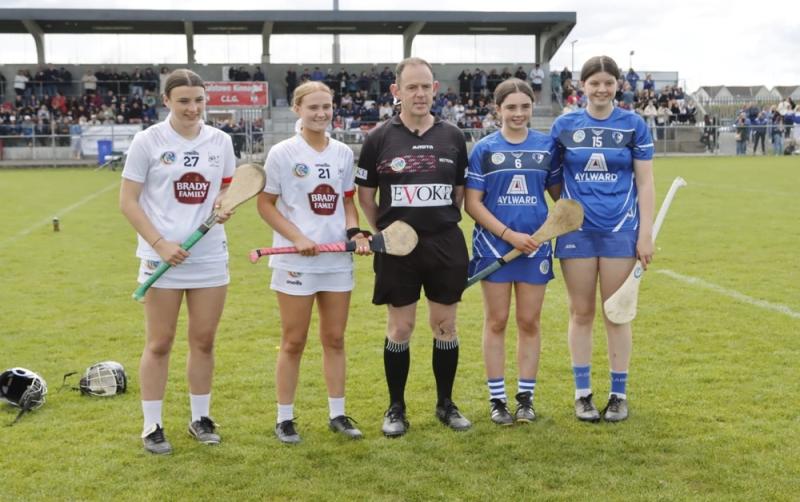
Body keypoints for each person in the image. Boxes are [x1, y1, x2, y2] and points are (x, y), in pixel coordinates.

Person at [120, 69, 236, 454]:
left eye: (199, 100)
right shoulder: (147, 141)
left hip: (208, 255)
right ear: (166, 101)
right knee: (160, 342)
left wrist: (225, 207)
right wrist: (159, 243)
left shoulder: (220, 141)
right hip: (162, 257)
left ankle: (200, 418)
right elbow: (128, 201)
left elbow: (226, 191)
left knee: (203, 341)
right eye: (184, 100)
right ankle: (152, 425)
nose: (193, 108)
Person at [356, 57, 472, 437]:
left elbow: (458, 194)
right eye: (412, 87)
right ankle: (396, 407)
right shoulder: (378, 138)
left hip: (444, 245)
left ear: (435, 89)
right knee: (400, 328)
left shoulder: (453, 136)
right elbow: (367, 197)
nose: (420, 94)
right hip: (397, 250)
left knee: (445, 325)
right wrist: (389, 234)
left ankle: (445, 404)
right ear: (396, 92)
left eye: (426, 87)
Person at [256, 81, 371, 444]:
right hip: (297, 261)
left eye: (327, 107)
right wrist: (297, 238)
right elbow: (265, 205)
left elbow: (347, 202)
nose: (321, 114)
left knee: (335, 339)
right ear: (297, 110)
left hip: (335, 260)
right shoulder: (282, 153)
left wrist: (355, 234)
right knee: (293, 340)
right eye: (313, 108)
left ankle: (337, 413)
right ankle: (284, 418)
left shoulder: (342, 153)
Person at [550, 55, 655, 423]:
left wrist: (645, 233)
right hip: (577, 234)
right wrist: (566, 212)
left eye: (608, 82)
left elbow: (645, 182)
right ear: (582, 85)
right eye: (594, 82)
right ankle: (583, 395)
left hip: (620, 230)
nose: (601, 89)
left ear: (618, 86)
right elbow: (551, 176)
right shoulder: (564, 126)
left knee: (617, 313)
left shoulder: (633, 125)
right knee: (581, 312)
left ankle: (618, 395)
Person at [464, 78, 562, 425]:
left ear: (532, 108)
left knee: (529, 322)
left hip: (535, 248)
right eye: (511, 107)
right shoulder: (485, 149)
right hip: (493, 248)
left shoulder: (546, 147)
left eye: (525, 106)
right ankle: (497, 400)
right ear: (498, 109)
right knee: (497, 321)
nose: (518, 113)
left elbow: (560, 198)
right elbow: (472, 204)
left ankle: (525, 399)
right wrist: (508, 234)